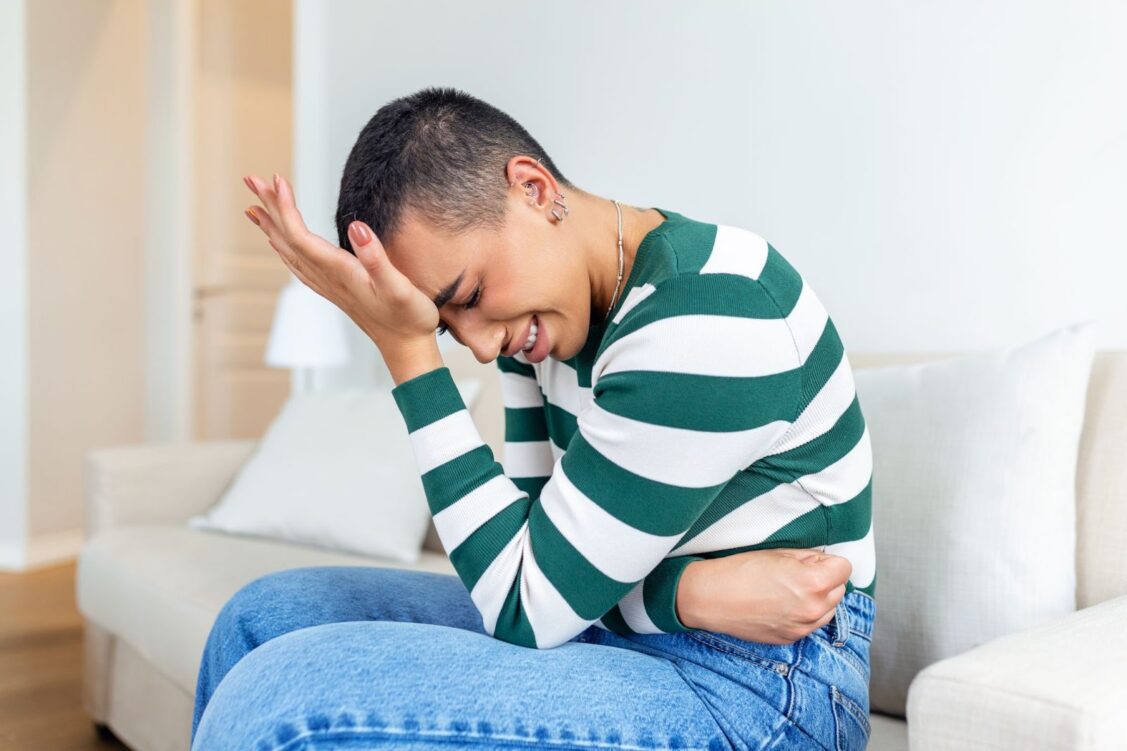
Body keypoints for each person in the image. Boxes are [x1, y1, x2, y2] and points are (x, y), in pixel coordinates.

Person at [191, 87, 876, 750]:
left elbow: (526, 605)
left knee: (284, 700)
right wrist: (683, 593)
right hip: (618, 631)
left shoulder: (707, 311)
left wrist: (406, 351)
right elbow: (530, 563)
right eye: (445, 325)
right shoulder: (547, 326)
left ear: (533, 189)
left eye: (471, 295)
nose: (482, 344)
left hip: (764, 688)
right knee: (260, 620)